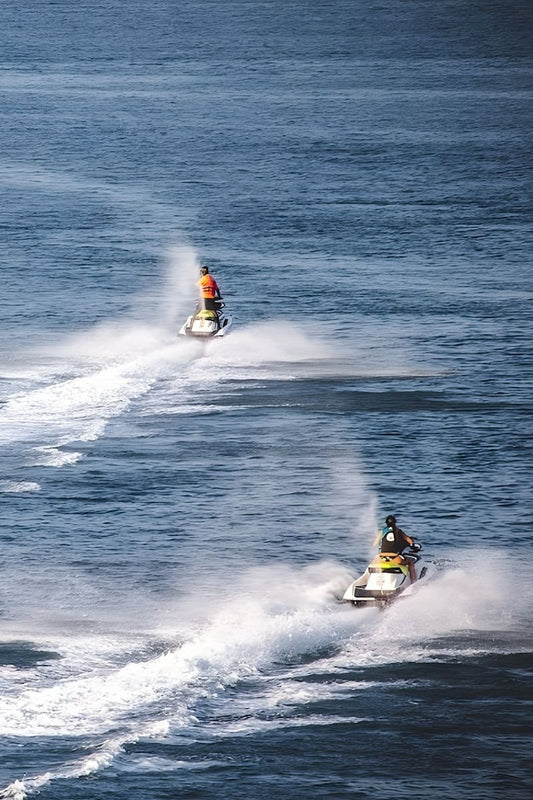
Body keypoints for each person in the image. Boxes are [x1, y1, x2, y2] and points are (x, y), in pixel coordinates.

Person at [373, 514, 419, 583]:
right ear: (395, 523)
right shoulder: (398, 531)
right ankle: (413, 583)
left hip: (381, 558)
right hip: (394, 558)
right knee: (410, 562)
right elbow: (410, 541)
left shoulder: (381, 531)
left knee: (372, 564)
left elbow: (374, 544)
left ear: (386, 523)